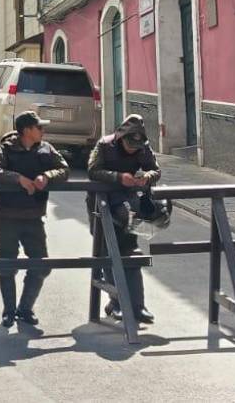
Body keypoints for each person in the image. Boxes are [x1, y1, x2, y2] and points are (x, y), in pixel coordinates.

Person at [0, 110, 69, 328]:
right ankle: (9, 311)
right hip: (8, 215)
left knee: (41, 265)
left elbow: (63, 169)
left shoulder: (46, 148)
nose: (43, 130)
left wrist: (46, 176)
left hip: (34, 216)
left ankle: (25, 308)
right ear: (26, 130)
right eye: (39, 127)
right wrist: (18, 179)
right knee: (7, 265)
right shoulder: (6, 147)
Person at [88, 114, 160, 324]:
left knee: (131, 253)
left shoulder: (143, 148)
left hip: (128, 205)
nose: (133, 149)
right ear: (120, 137)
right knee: (109, 254)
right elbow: (93, 171)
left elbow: (155, 170)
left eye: (137, 146)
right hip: (101, 204)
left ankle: (138, 306)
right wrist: (118, 177)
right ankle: (117, 303)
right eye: (130, 144)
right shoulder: (104, 145)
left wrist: (146, 177)